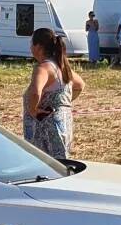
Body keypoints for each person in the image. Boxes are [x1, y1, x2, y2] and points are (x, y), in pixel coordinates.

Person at [23, 27, 84, 158]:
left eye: (31, 43)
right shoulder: (61, 66)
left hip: (46, 130)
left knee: (47, 168)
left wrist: (33, 110)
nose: (30, 47)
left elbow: (35, 92)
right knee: (62, 164)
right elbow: (79, 85)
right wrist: (61, 104)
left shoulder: (43, 68)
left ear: (38, 47)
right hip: (63, 124)